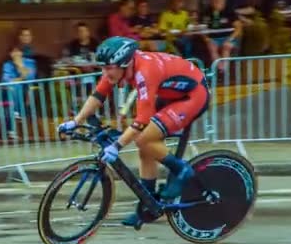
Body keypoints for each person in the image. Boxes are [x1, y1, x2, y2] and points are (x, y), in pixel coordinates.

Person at [58, 36, 209, 228]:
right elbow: (98, 95)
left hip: (193, 95)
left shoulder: (145, 72)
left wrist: (116, 146)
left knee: (144, 139)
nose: (105, 72)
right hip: (171, 94)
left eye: (109, 68)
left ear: (125, 63)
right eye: (102, 68)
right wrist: (75, 121)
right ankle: (148, 206)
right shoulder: (118, 68)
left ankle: (183, 170)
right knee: (144, 148)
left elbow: (141, 121)